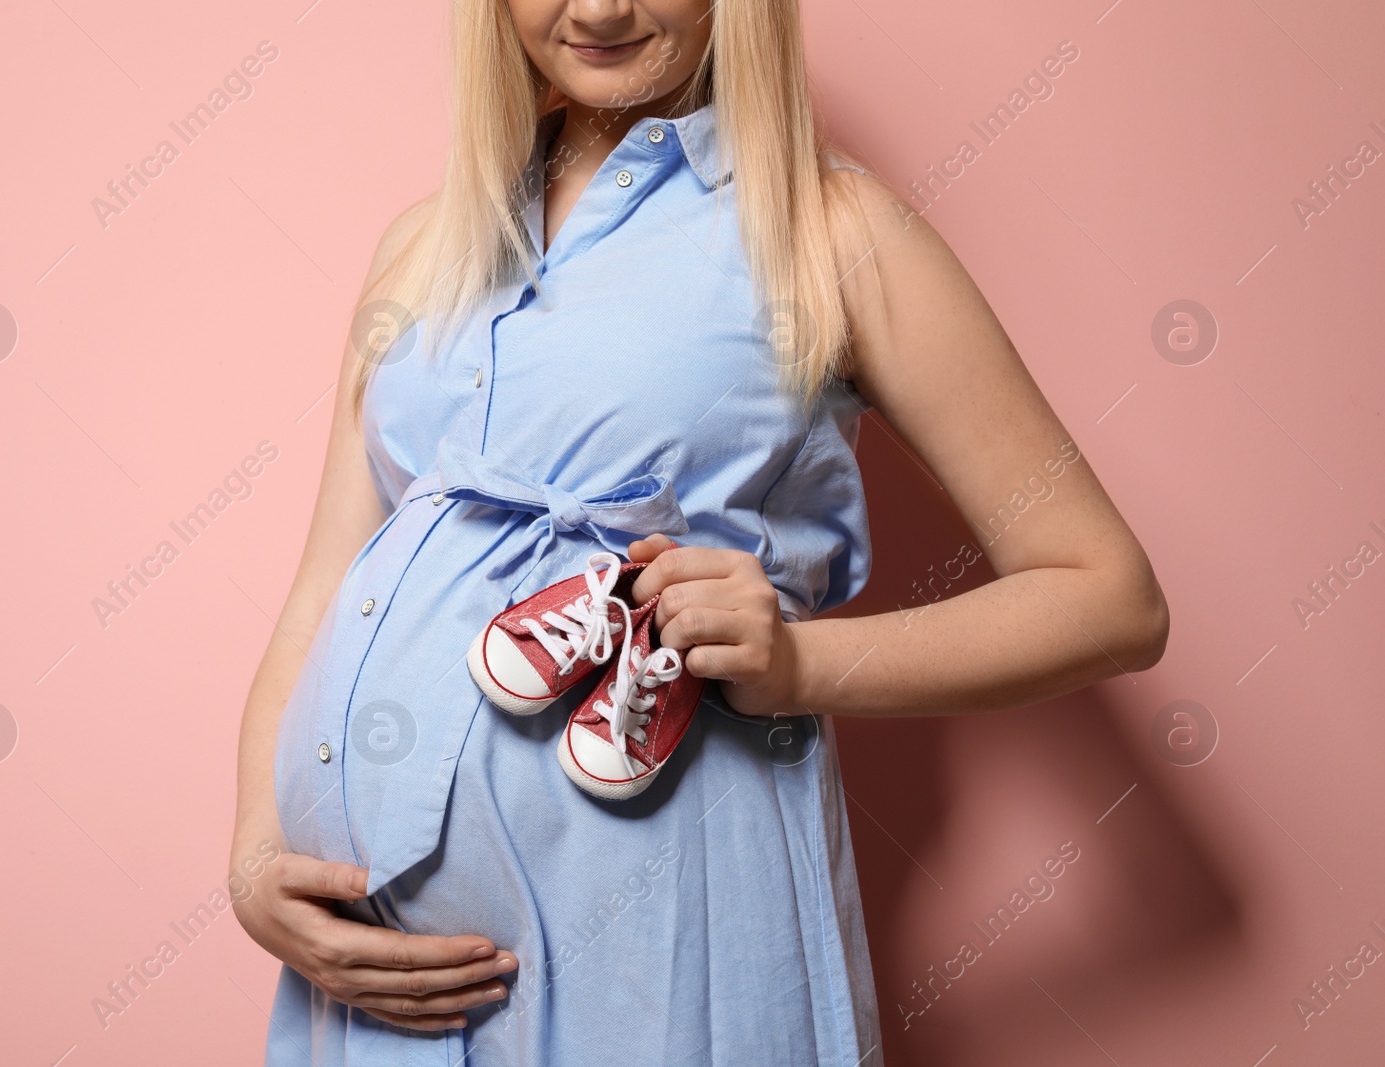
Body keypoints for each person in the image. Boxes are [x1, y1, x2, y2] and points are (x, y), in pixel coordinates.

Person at [229, 2, 1170, 1064]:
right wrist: (259, 854)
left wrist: (803, 659)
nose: (595, 9)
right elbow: (326, 588)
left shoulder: (834, 234)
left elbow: (1107, 594)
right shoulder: (423, 243)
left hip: (657, 959)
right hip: (365, 986)